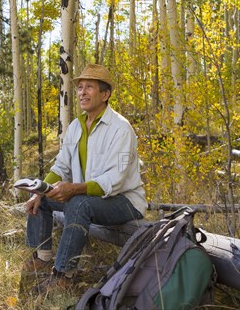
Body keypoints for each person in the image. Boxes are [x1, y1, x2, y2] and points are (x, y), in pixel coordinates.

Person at [23, 64, 147, 294]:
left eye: (89, 87)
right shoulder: (76, 126)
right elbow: (61, 166)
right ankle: (41, 258)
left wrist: (75, 189)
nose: (82, 92)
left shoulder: (121, 129)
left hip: (125, 202)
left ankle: (63, 275)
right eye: (80, 87)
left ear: (105, 94)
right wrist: (40, 191)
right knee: (41, 198)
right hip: (91, 198)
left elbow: (116, 180)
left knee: (78, 203)